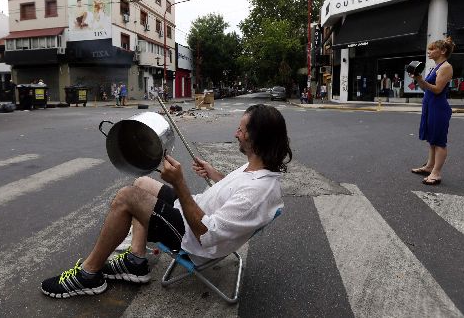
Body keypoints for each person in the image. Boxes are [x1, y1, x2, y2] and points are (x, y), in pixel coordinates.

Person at [40, 104, 291, 298]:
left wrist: (179, 183)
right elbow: (237, 192)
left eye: (241, 129)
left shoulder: (259, 191)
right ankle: (136, 261)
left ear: (256, 139)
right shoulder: (257, 169)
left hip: (195, 238)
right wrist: (213, 173)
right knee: (141, 183)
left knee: (127, 197)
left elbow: (208, 234)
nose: (236, 133)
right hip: (195, 214)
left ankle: (89, 275)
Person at [410, 37, 455, 185]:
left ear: (442, 51)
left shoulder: (446, 67)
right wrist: (418, 78)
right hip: (430, 105)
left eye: (432, 49)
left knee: (439, 141)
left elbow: (437, 90)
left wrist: (421, 80)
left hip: (438, 107)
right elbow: (425, 88)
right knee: (432, 140)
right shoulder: (435, 67)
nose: (428, 52)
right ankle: (430, 166)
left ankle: (436, 173)